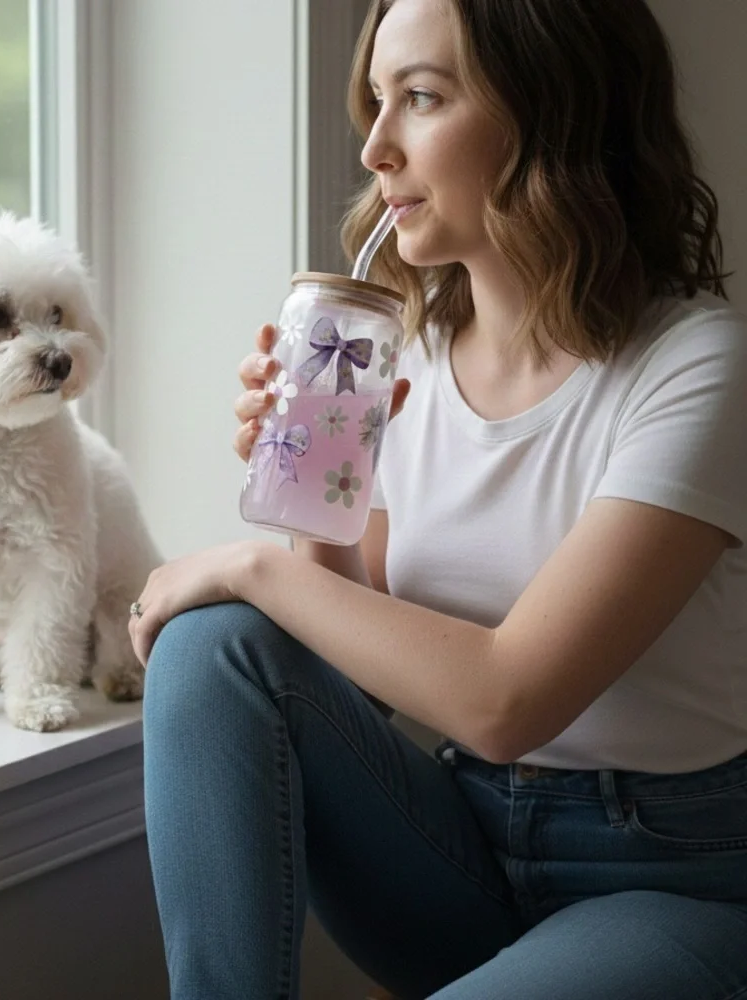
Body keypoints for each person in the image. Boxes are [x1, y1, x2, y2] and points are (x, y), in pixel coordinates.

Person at [127, 0, 747, 996]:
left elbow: (505, 701)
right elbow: (369, 678)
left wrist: (246, 565)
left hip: (670, 886)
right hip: (458, 851)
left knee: (236, 598)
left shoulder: (696, 367)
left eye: (419, 98)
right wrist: (321, 503)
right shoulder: (403, 355)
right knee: (215, 644)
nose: (374, 148)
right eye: (375, 102)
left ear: (552, 112)